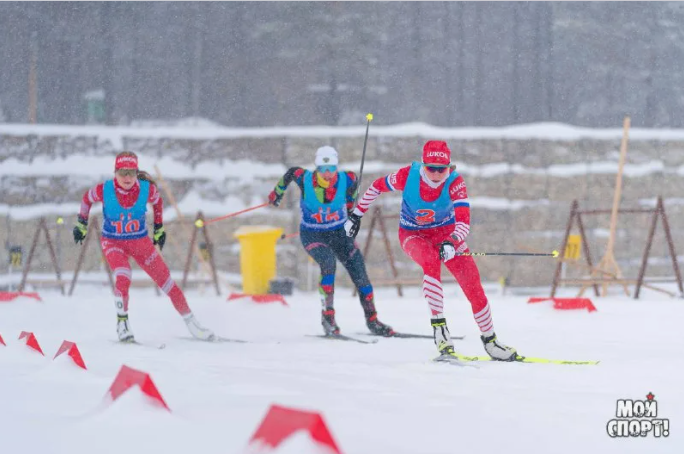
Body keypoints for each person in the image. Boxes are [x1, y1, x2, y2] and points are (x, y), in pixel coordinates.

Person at [344, 140, 517, 360]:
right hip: (413, 235)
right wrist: (356, 214)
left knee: (472, 283)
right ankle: (440, 329)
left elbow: (464, 221)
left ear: (449, 167)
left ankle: (491, 341)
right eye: (431, 168)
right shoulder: (408, 175)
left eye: (441, 169)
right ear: (424, 165)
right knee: (430, 262)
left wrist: (452, 241)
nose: (436, 174)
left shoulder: (455, 182)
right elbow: (378, 186)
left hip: (446, 235)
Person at [73, 151, 215, 342]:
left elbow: (158, 202)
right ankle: (122, 324)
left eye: (131, 172)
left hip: (140, 242)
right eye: (122, 172)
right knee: (123, 276)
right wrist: (81, 224)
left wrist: (158, 228)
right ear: (115, 172)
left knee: (168, 283)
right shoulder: (104, 190)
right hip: (113, 242)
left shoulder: (147, 190)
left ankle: (192, 323)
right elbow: (86, 199)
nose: (127, 178)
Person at [268, 146, 394, 337]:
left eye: (331, 169)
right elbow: (291, 172)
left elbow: (351, 204)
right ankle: (328, 319)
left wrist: (353, 214)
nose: (327, 174)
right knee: (328, 263)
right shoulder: (305, 179)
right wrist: (277, 192)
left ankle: (373, 320)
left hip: (339, 233)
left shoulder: (349, 179)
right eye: (323, 169)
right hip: (313, 234)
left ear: (336, 167)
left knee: (359, 272)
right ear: (317, 168)